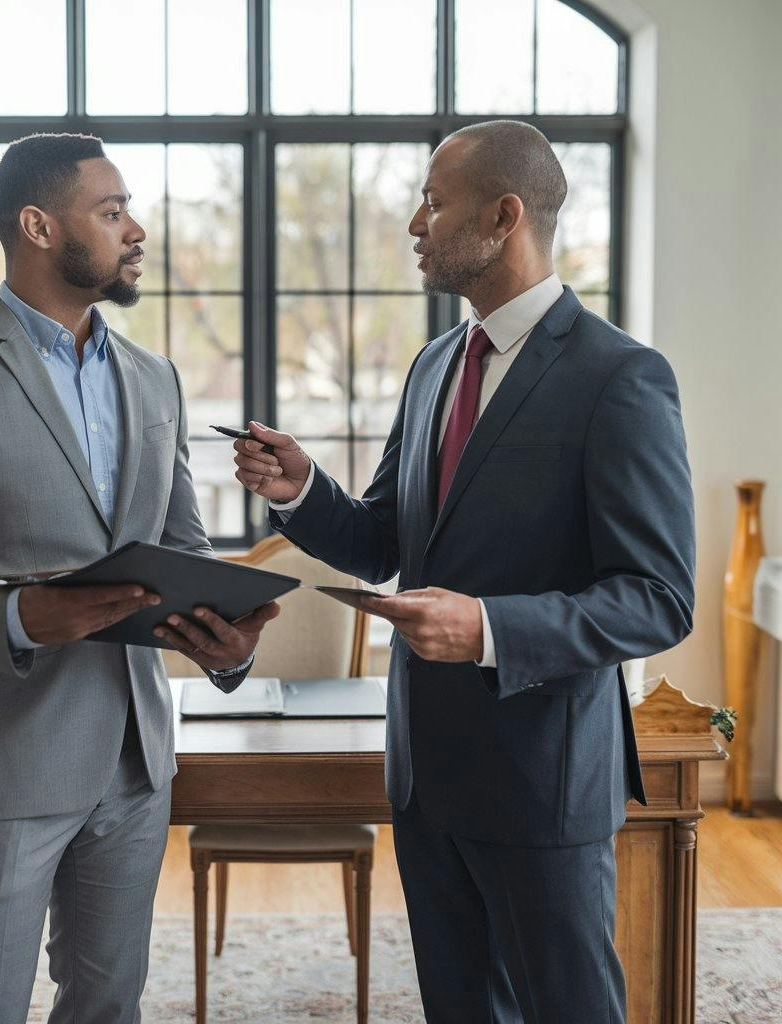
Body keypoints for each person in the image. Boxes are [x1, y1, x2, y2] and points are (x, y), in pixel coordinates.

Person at [232, 120, 695, 1023]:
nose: (414, 223)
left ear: (503, 216)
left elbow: (658, 597)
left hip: (542, 782)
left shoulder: (621, 378)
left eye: (434, 203)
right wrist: (302, 491)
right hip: (425, 775)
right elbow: (384, 541)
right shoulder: (437, 362)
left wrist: (488, 628)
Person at [0, 132, 279, 1024]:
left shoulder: (154, 378)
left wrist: (226, 642)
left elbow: (183, 550)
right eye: (113, 210)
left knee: (107, 1003)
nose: (138, 231)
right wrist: (20, 618)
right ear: (39, 226)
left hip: (135, 762)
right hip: (8, 757)